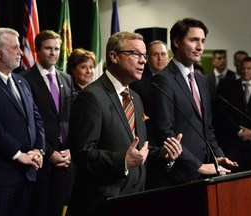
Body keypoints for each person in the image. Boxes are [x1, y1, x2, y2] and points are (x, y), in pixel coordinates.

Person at [66, 31, 183, 216]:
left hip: (134, 199)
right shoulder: (91, 97)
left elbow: (137, 150)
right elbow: (82, 153)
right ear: (114, 56)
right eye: (136, 54)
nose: (143, 61)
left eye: (144, 55)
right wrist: (123, 161)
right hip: (102, 203)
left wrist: (165, 155)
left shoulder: (135, 98)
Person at [150, 18, 238, 188]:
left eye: (203, 41)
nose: (200, 47)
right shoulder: (163, 80)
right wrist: (197, 165)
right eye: (194, 40)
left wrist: (217, 155)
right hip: (180, 174)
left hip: (207, 170)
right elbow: (165, 132)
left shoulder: (201, 80)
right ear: (176, 42)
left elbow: (207, 127)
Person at [0, 28, 45, 216]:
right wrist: (18, 154)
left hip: (27, 172)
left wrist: (39, 149)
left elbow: (36, 119)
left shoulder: (22, 82)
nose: (21, 52)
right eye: (15, 48)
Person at [20, 30, 76, 216]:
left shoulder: (67, 79)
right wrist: (49, 152)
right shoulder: (24, 80)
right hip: (41, 160)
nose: (53, 53)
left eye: (57, 49)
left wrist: (70, 150)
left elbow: (71, 118)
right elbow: (28, 123)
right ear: (36, 50)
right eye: (48, 48)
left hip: (65, 159)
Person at [214, 57, 251, 172]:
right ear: (239, 69)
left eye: (249, 68)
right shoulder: (229, 87)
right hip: (234, 142)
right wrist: (239, 131)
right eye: (243, 68)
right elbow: (224, 113)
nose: (245, 71)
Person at [130, 40, 169, 140]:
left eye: (163, 54)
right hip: (149, 136)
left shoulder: (175, 79)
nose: (160, 58)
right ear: (147, 58)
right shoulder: (137, 80)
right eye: (155, 54)